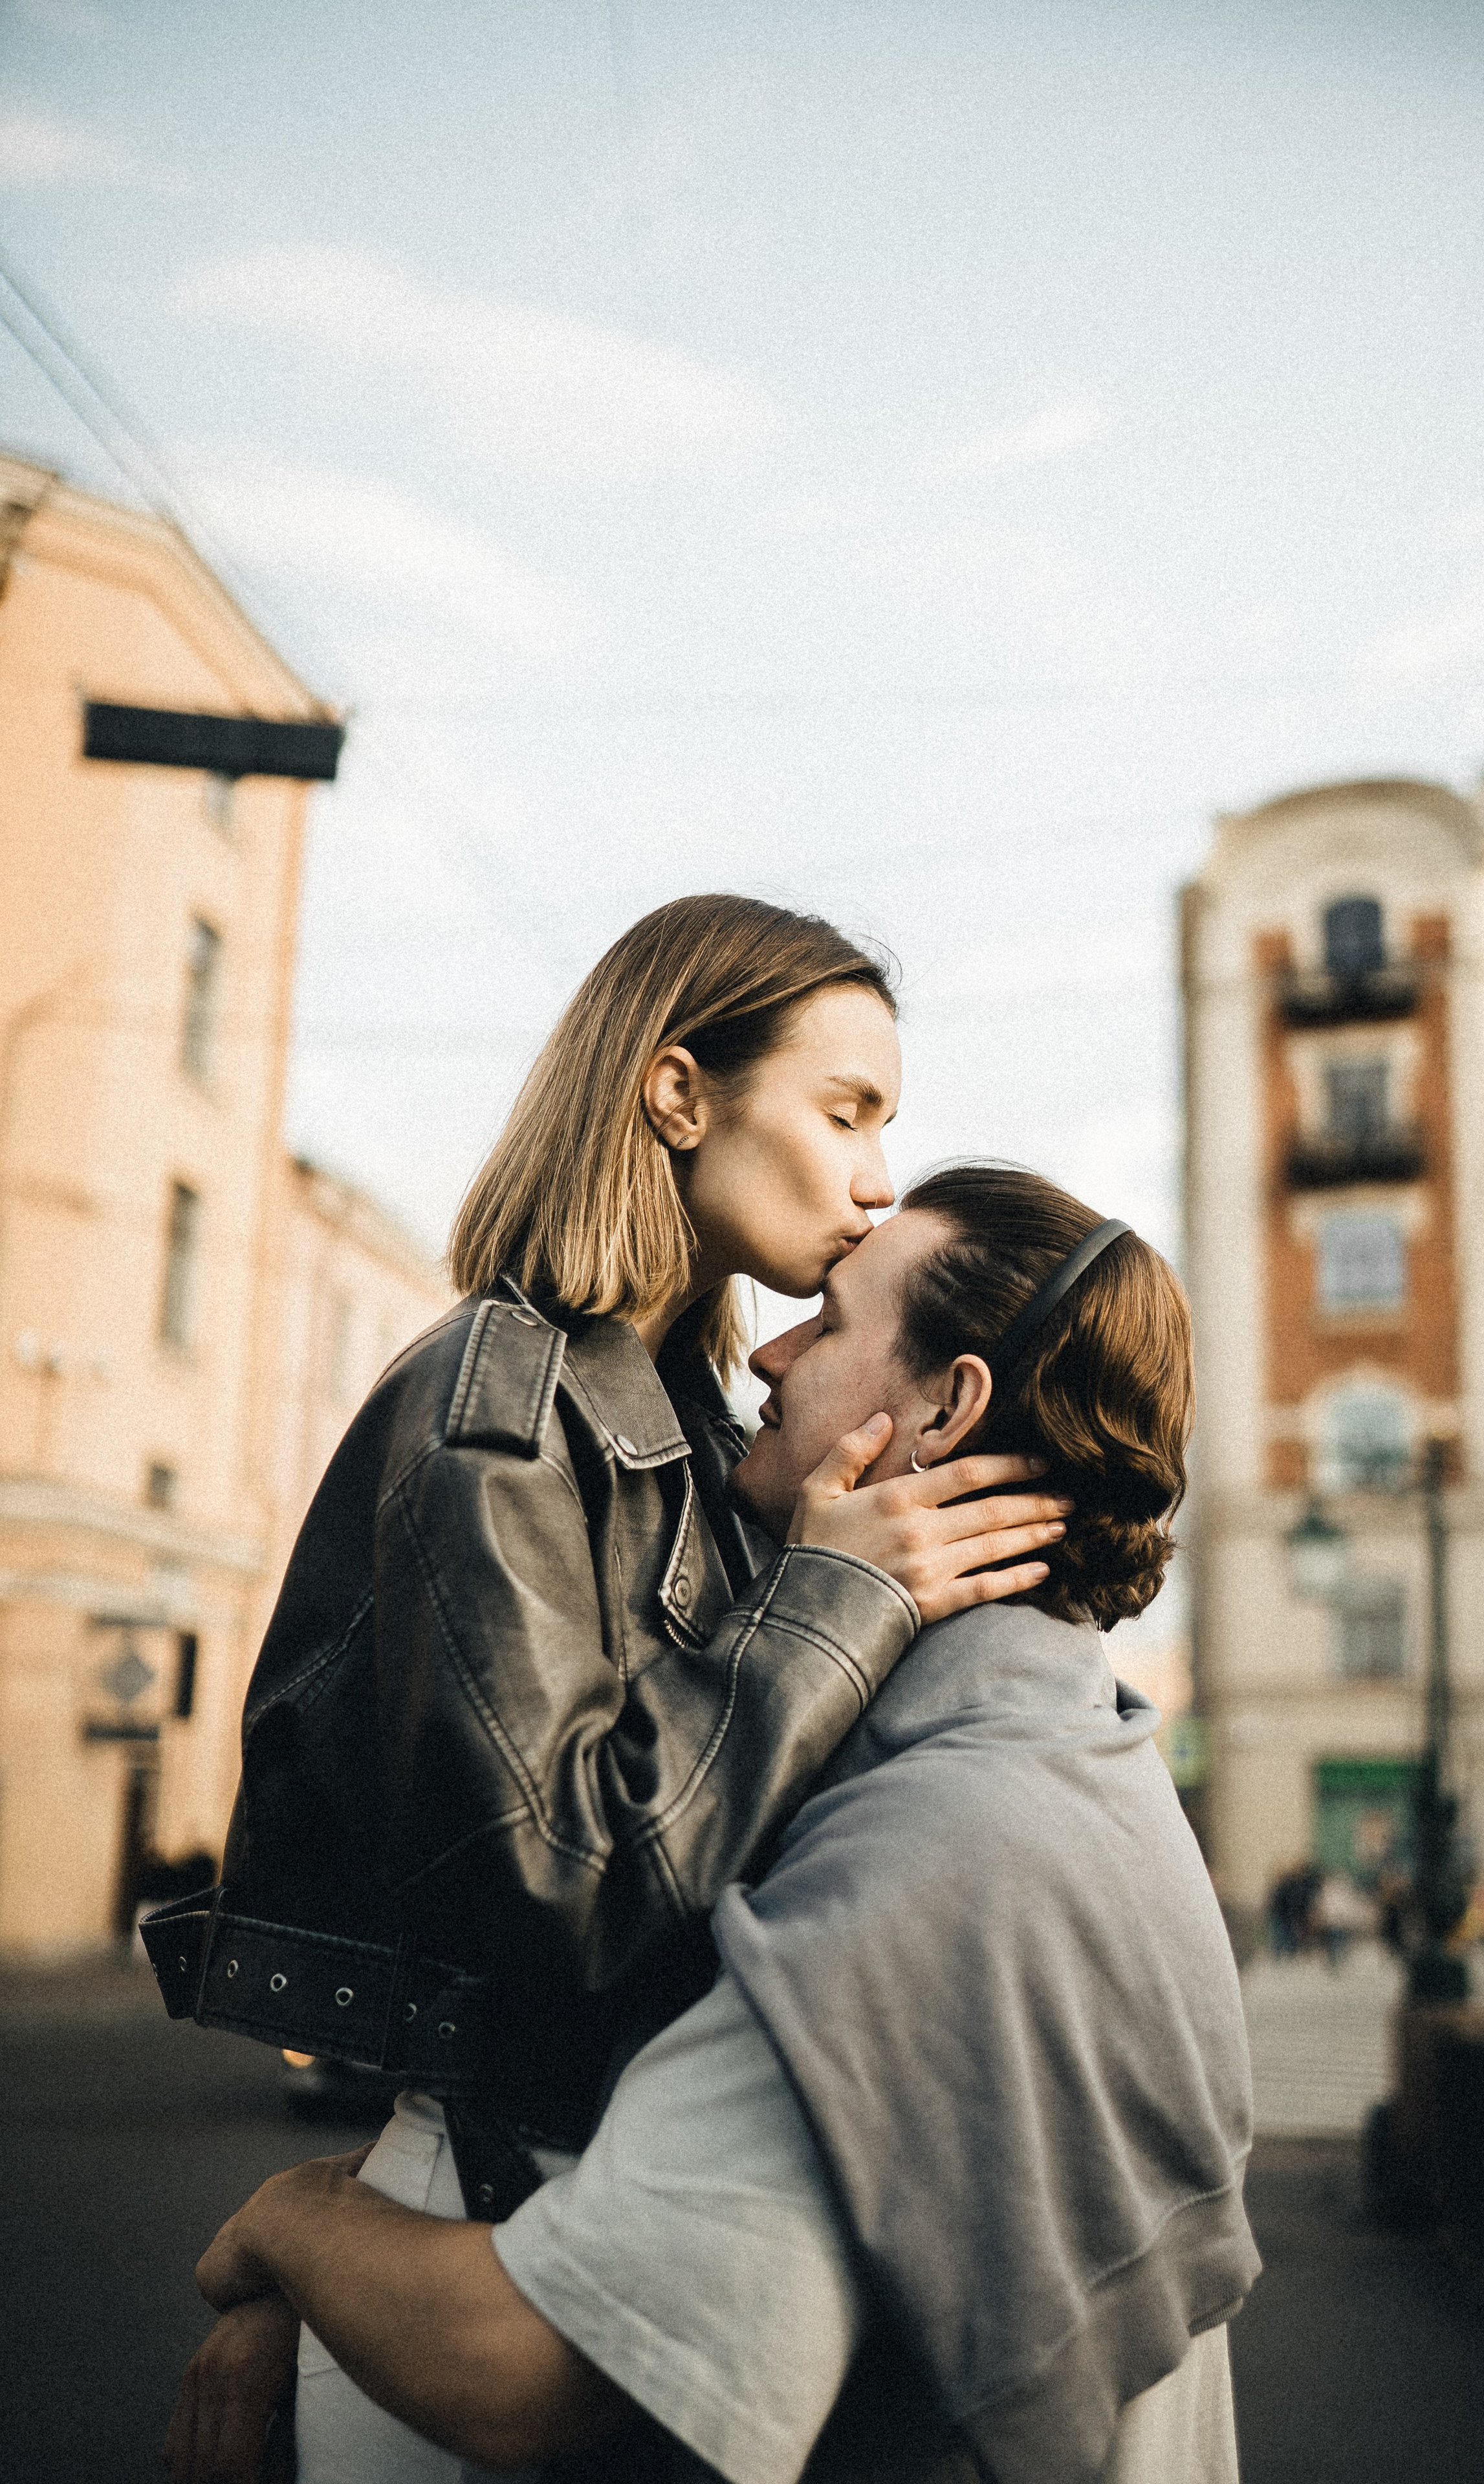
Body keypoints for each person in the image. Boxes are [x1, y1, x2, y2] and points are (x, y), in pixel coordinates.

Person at [142, 897, 1068, 2476]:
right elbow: (559, 1881)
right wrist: (834, 1606)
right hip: (495, 2225)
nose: (876, 1179)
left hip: (615, 2210)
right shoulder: (493, 1416)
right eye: (844, 1112)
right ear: (678, 1094)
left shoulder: (697, 1430)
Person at [169, 1164, 1256, 2484]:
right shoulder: (1085, 1765)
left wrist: (296, 2224)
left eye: (831, 1322)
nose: (770, 1355)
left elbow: (522, 2367)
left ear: (944, 1409)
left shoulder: (923, 1862)